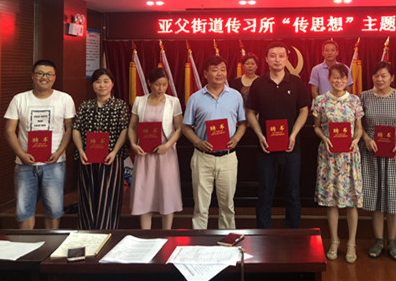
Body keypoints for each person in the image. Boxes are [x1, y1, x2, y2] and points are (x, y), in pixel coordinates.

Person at [4, 59, 76, 229]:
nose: (45, 77)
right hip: (25, 164)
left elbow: (70, 128)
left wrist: (59, 152)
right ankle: (26, 244)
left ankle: (50, 244)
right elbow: (9, 130)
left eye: (49, 74)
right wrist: (21, 154)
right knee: (24, 210)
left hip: (54, 164)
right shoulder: (19, 99)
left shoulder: (64, 99)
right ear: (32, 76)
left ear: (55, 77)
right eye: (40, 73)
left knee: (54, 210)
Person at [247, 41, 311, 228]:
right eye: (273, 56)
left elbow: (304, 110)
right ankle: (263, 236)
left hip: (291, 148)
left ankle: (293, 235)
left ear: (287, 59)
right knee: (265, 193)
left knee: (292, 193)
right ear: (266, 59)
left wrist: (293, 134)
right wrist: (260, 135)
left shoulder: (296, 82)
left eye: (281, 56)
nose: (277, 59)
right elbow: (250, 112)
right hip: (265, 148)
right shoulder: (258, 84)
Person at [360, 61, 396, 261]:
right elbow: (358, 124)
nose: (380, 79)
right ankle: (378, 240)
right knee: (375, 197)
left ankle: (392, 241)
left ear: (392, 78)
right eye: (376, 75)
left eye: (384, 75)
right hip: (372, 151)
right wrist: (366, 139)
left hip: (395, 152)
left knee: (393, 197)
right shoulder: (363, 97)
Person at [183, 56, 247, 229]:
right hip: (203, 157)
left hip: (227, 157)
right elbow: (186, 127)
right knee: (201, 207)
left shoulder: (235, 96)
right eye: (214, 70)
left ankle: (227, 241)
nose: (219, 73)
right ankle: (199, 241)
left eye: (222, 69)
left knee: (227, 206)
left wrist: (236, 139)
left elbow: (243, 123)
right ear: (205, 74)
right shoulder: (195, 98)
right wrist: (198, 141)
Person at [312, 64, 364, 263]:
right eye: (335, 77)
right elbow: (316, 127)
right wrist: (323, 138)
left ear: (347, 79)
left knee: (351, 201)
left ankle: (351, 243)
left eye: (342, 78)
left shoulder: (354, 100)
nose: (338, 81)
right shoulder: (320, 100)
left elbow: (359, 127)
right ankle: (334, 240)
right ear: (329, 78)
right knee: (331, 200)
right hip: (329, 156)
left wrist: (356, 139)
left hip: (349, 156)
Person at [72, 68, 129, 229]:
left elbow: (124, 130)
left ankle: (108, 232)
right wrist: (81, 150)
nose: (102, 85)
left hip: (111, 159)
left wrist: (114, 152)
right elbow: (76, 129)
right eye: (97, 82)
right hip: (87, 160)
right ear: (93, 85)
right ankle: (88, 234)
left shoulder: (120, 105)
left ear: (112, 84)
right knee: (88, 197)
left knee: (109, 197)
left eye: (105, 81)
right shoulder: (85, 106)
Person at [128, 67, 183, 229]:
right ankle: (146, 234)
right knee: (145, 192)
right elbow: (132, 127)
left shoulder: (173, 102)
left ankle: (167, 233)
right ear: (149, 83)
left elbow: (179, 128)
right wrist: (133, 144)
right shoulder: (140, 101)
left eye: (164, 85)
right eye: (158, 84)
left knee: (167, 191)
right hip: (145, 154)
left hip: (166, 154)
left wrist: (167, 145)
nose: (161, 88)